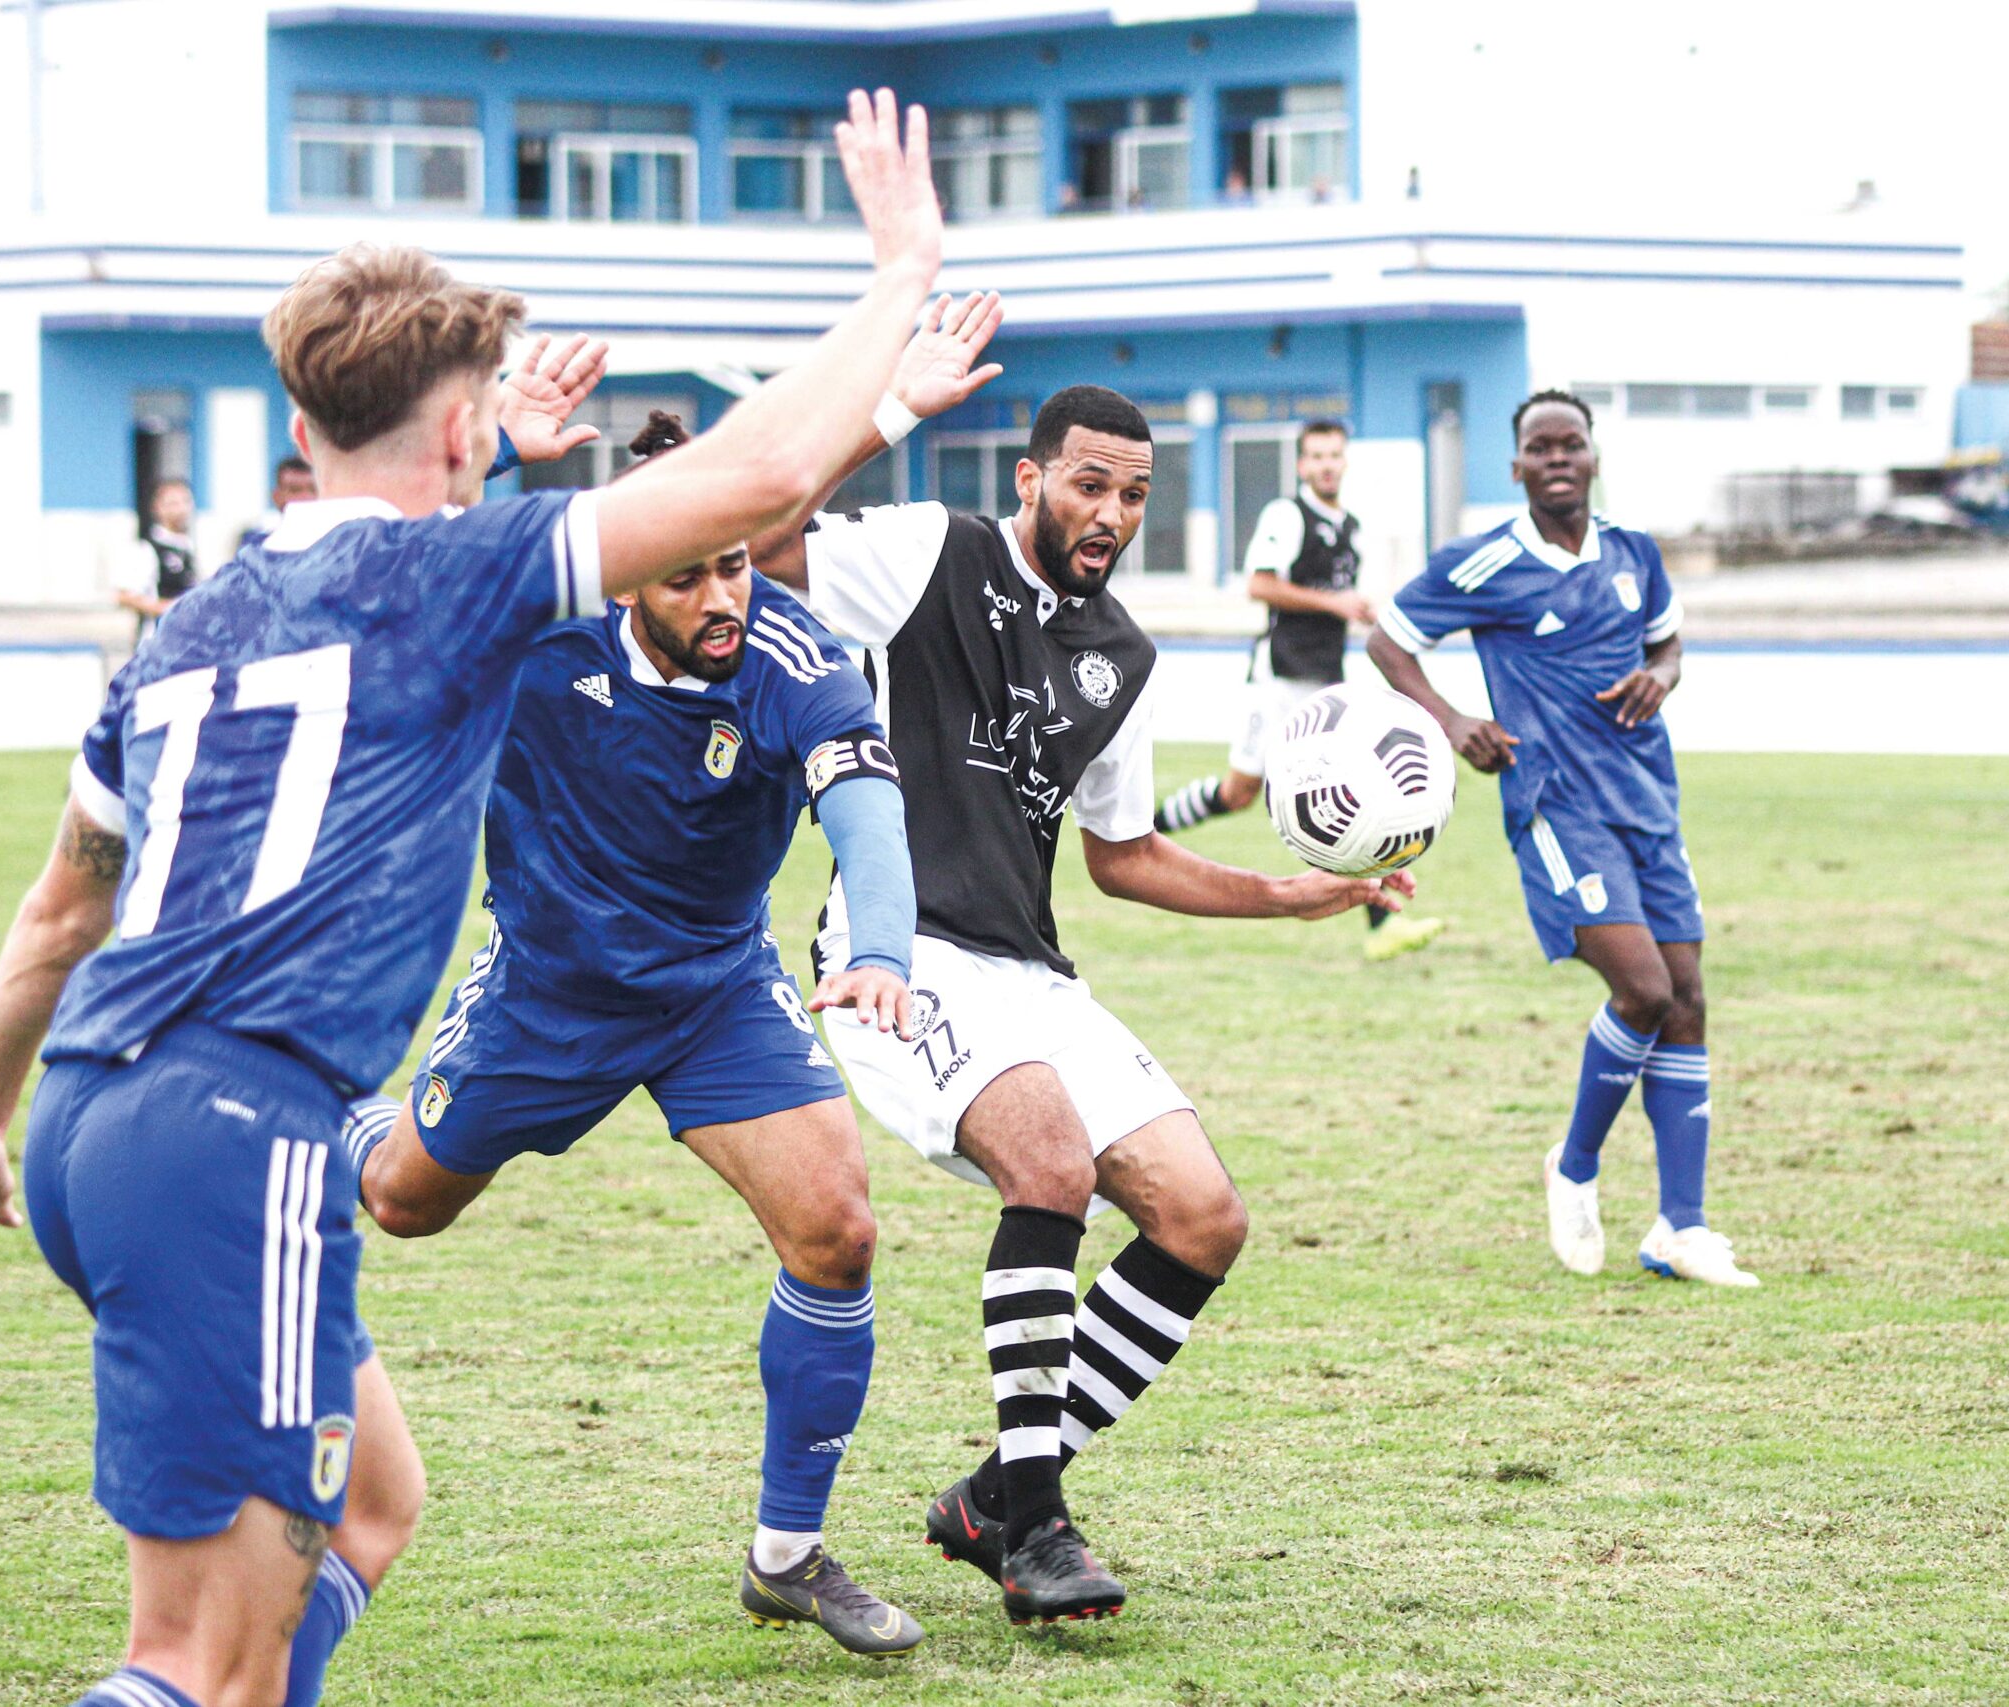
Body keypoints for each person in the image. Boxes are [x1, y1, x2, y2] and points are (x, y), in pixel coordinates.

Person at [0, 90, 948, 1707]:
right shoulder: (465, 578)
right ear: (468, 436)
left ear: (302, 440)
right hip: (234, 1136)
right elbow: (762, 463)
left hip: (83, 1114)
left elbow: (63, 910)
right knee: (195, 1659)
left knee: (375, 1506)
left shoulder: (200, 619)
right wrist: (901, 261)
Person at [350, 292, 1002, 1658]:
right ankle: (345, 1121)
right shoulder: (537, 633)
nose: (724, 598)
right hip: (548, 986)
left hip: (714, 988)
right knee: (403, 1204)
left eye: (738, 570)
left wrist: (879, 948)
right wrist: (512, 456)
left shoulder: (793, 656)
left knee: (839, 1226)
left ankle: (787, 1552)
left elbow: (866, 807)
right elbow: (399, 563)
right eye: (691, 573)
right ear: (629, 570)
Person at [757, 383, 1410, 1626]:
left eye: (1134, 495)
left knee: (1204, 1218)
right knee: (1047, 1160)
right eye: (1090, 485)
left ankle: (994, 1493)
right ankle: (1038, 1524)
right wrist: (882, 406)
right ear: (1032, 477)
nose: (1111, 512)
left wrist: (1290, 896)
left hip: (1030, 970)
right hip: (899, 953)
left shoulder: (1122, 655)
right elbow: (776, 536)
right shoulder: (925, 555)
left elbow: (1123, 856)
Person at [1367, 389, 1756, 1288]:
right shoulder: (1486, 563)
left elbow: (1670, 648)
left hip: (1648, 799)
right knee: (1645, 988)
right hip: (1554, 804)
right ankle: (1574, 1166)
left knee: (1688, 995)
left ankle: (1680, 1228)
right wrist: (1453, 716)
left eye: (1570, 444)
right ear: (1516, 468)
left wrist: (1661, 675)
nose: (1556, 459)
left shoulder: (1634, 553)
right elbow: (1389, 640)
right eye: (1538, 447)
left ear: (1592, 456)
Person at [1154, 417, 1447, 961]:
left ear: (1345, 460)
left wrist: (1355, 607)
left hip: (1325, 680)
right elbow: (1259, 583)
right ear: (1302, 464)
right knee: (1239, 792)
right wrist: (1335, 603)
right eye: (1316, 456)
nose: (1326, 465)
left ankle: (1383, 924)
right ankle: (1148, 831)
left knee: (1361, 787)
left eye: (1334, 455)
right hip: (1280, 678)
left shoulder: (1352, 525)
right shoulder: (1286, 514)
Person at [119, 477, 198, 643]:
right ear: (157, 508)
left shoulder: (189, 546)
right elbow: (124, 595)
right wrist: (166, 607)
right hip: (158, 645)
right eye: (173, 503)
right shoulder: (147, 548)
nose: (181, 509)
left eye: (186, 501)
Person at [237, 457, 320, 552]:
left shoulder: (336, 541)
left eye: (313, 490)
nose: (306, 498)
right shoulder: (255, 544)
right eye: (295, 490)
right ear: (277, 497)